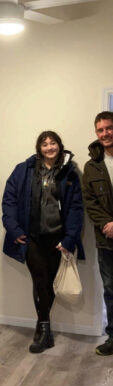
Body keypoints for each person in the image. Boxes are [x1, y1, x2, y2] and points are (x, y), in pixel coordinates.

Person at [2, 131, 84, 354]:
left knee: (50, 284)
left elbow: (77, 208)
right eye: (44, 144)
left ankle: (42, 328)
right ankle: (44, 330)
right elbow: (9, 200)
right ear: (39, 148)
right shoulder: (24, 170)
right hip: (32, 237)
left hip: (58, 239)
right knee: (39, 280)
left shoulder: (70, 172)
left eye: (53, 143)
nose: (49, 147)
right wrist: (14, 229)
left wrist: (69, 239)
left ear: (59, 146)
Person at [82, 111, 113, 356]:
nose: (105, 133)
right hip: (107, 238)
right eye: (100, 130)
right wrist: (108, 224)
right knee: (111, 289)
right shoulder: (91, 166)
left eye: (109, 128)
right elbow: (89, 201)